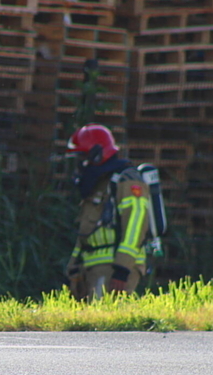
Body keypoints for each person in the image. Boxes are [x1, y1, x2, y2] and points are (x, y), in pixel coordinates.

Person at [65, 123, 157, 299]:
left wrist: (122, 270)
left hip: (114, 269)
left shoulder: (126, 180)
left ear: (97, 154)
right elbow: (86, 231)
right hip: (92, 268)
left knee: (104, 324)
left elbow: (135, 226)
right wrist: (73, 269)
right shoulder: (99, 186)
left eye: (83, 157)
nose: (81, 164)